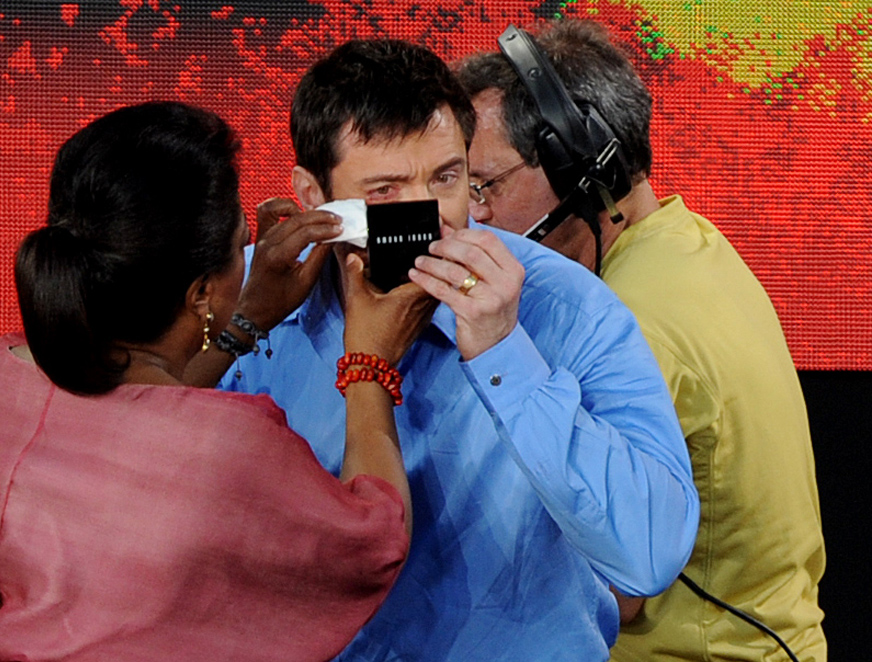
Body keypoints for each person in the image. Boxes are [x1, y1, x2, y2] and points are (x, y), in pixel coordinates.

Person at [219, 39, 700, 661]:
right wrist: (240, 328)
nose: (429, 216)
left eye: (447, 178)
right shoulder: (253, 295)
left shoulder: (568, 307)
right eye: (386, 191)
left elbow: (650, 555)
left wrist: (505, 355)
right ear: (313, 196)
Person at [0, 101, 433, 662]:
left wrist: (245, 318)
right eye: (241, 245)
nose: (251, 252)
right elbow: (373, 540)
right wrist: (368, 361)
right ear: (200, 293)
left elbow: (136, 414)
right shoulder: (229, 446)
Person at [456, 20, 826, 662]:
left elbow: (617, 589)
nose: (472, 215)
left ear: (577, 168)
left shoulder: (630, 318)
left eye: (483, 184)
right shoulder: (687, 244)